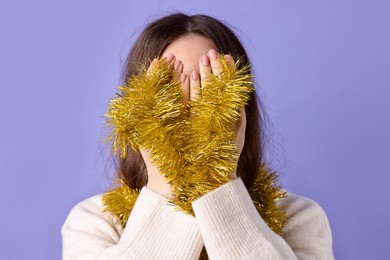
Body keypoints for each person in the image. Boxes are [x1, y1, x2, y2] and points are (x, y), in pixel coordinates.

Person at [62, 13, 334, 259]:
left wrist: (218, 177)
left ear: (241, 109)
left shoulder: (299, 217)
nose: (190, 104)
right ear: (136, 111)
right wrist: (165, 177)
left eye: (209, 88)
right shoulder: (94, 222)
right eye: (169, 92)